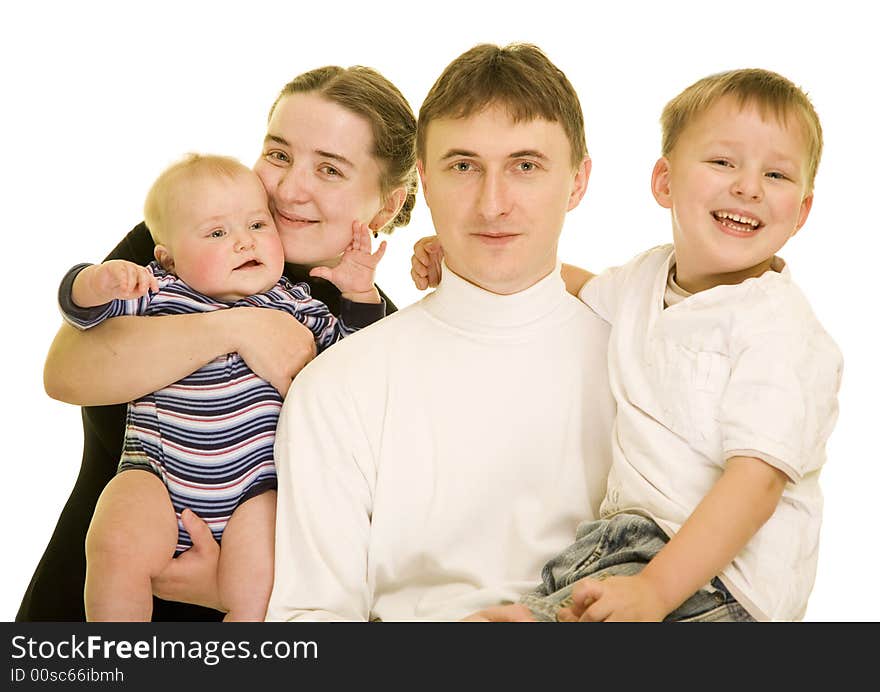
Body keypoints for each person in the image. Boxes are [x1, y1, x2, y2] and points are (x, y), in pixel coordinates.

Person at [18, 65, 417, 622]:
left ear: (388, 204)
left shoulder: (374, 327)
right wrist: (238, 328)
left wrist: (225, 588)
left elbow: (375, 544)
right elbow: (65, 371)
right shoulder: (193, 240)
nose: (288, 187)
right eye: (278, 154)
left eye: (329, 169)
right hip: (84, 604)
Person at [456, 68, 842, 622]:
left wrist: (657, 590)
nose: (748, 186)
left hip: (718, 584)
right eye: (723, 162)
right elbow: (572, 285)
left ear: (802, 211)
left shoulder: (780, 328)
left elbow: (756, 486)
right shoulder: (645, 277)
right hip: (612, 553)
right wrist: (462, 257)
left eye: (776, 174)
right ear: (664, 181)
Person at [265, 43, 615, 622]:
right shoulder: (340, 384)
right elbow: (309, 623)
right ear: (424, 181)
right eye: (464, 166)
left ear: (577, 183)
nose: (493, 204)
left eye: (525, 166)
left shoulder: (640, 365)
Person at [62, 154, 386, 621]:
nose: (243, 242)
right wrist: (96, 281)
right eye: (217, 234)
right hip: (156, 474)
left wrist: (360, 295)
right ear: (168, 257)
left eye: (257, 225)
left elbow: (357, 363)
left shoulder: (299, 303)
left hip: (254, 492)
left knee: (261, 583)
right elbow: (81, 319)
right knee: (114, 541)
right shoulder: (160, 292)